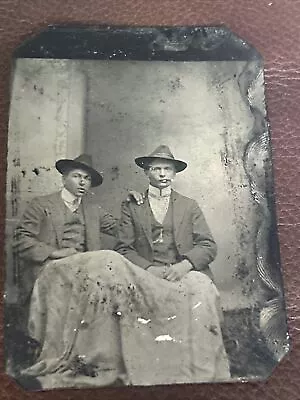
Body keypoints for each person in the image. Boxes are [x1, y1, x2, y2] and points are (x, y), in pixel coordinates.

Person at [15, 150, 230, 389]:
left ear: (174, 173)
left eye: (86, 179)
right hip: (54, 268)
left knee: (112, 272)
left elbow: (124, 231)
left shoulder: (94, 210)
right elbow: (21, 240)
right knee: (109, 261)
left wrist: (134, 205)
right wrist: (55, 252)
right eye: (77, 176)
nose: (82, 182)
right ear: (64, 177)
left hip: (86, 271)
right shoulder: (41, 205)